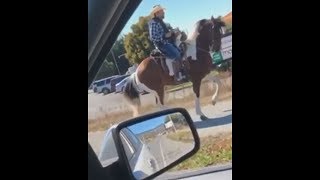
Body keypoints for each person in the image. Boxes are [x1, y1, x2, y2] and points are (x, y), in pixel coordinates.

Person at [148, 5, 184, 82]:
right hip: (162, 44)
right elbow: (153, 37)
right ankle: (177, 76)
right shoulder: (153, 23)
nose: (164, 12)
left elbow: (168, 34)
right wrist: (165, 36)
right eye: (162, 11)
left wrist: (174, 33)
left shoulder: (161, 22)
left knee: (182, 48)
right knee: (176, 55)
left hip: (168, 42)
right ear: (157, 13)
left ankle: (182, 71)